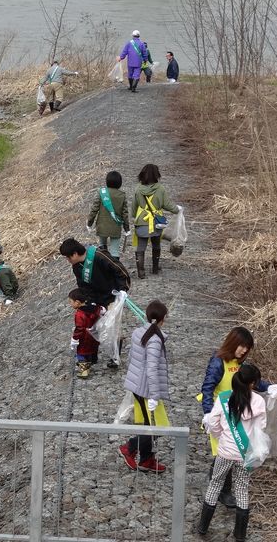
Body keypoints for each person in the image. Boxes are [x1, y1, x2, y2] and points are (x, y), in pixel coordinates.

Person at [199, 327, 277, 508]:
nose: (244, 350)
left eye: (247, 347)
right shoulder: (218, 362)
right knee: (224, 450)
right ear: (233, 342)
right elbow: (207, 389)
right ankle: (222, 489)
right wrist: (207, 413)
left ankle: (219, 482)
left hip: (237, 412)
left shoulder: (242, 365)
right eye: (242, 346)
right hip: (219, 413)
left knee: (233, 448)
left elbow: (254, 382)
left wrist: (269, 387)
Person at [197, 363, 267, 541]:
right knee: (242, 489)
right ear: (252, 384)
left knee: (215, 484)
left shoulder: (224, 398)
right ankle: (240, 534)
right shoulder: (259, 402)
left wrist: (221, 437)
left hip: (225, 452)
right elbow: (261, 428)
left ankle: (203, 527)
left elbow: (213, 422)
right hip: (246, 455)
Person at [118, 300, 170, 474]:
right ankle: (129, 448)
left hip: (139, 387)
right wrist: (155, 396)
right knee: (155, 426)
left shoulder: (139, 332)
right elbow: (151, 369)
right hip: (146, 390)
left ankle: (147, 459)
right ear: (163, 318)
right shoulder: (155, 339)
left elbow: (133, 357)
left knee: (153, 424)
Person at [132, 163, 180, 279]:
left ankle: (141, 272)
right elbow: (166, 204)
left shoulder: (138, 189)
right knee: (156, 244)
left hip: (142, 221)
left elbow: (134, 208)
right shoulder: (160, 188)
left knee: (141, 247)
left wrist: (135, 216)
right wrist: (177, 209)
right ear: (156, 175)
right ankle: (155, 268)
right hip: (156, 222)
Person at [59, 238, 130, 309]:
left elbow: (119, 270)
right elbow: (83, 286)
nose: (67, 260)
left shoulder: (99, 255)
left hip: (114, 294)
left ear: (75, 254)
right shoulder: (77, 267)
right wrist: (91, 304)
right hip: (99, 302)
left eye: (68, 257)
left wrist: (123, 290)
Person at [87, 170, 130, 260]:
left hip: (102, 225)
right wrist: (127, 229)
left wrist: (89, 223)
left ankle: (104, 268)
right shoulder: (122, 195)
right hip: (116, 226)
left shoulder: (101, 192)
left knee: (102, 247)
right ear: (120, 183)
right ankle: (114, 270)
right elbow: (125, 214)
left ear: (107, 181)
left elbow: (94, 209)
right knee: (114, 251)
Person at [68, 288, 102, 379]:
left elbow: (79, 328)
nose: (70, 304)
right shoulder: (94, 308)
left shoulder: (80, 314)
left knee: (81, 352)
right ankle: (93, 360)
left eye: (71, 302)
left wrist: (74, 339)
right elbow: (101, 310)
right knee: (93, 348)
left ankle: (84, 370)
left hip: (84, 337)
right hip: (94, 334)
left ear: (77, 302)